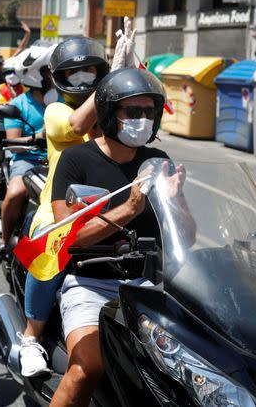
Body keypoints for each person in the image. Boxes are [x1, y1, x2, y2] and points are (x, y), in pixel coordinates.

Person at [49, 67, 172, 407]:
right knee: (86, 368)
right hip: (91, 284)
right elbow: (68, 236)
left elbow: (185, 237)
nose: (143, 119)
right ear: (108, 113)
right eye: (133, 111)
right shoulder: (76, 160)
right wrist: (129, 209)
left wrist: (177, 202)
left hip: (147, 286)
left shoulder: (158, 160)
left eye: (149, 111)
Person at [10, 36, 111, 378]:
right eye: (75, 74)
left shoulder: (113, 110)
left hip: (112, 205)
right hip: (60, 209)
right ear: (59, 79)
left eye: (90, 72)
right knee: (49, 250)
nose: (84, 80)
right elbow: (78, 125)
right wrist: (106, 84)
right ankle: (31, 337)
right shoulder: (57, 110)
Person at [0, 45, 55, 269]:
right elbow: (13, 144)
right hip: (30, 160)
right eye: (48, 70)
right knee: (16, 193)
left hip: (60, 158)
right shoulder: (18, 105)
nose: (55, 74)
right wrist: (38, 136)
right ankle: (5, 243)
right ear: (36, 74)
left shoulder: (65, 100)